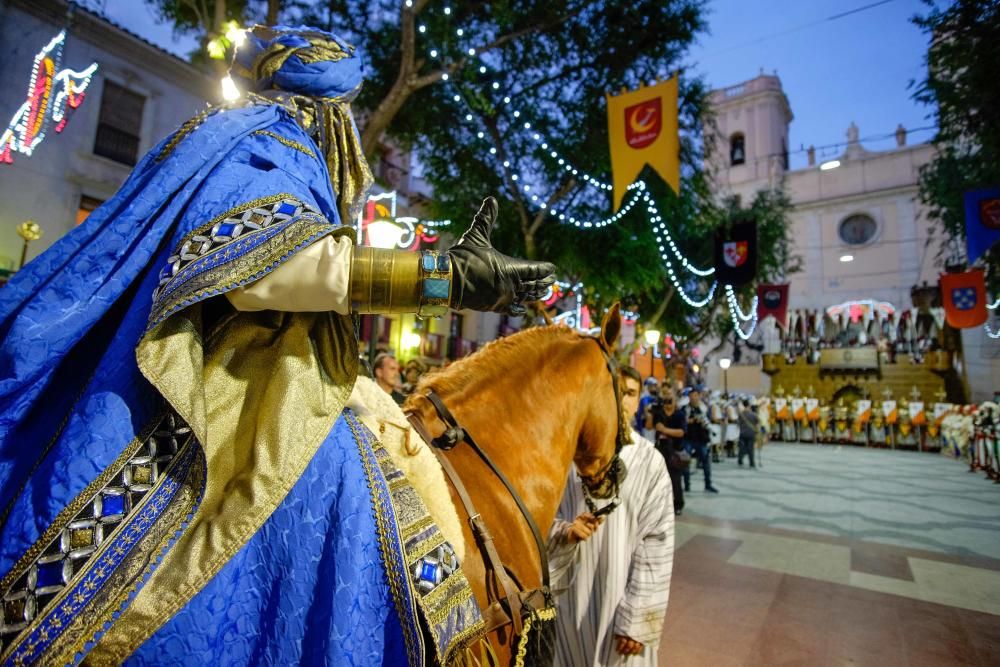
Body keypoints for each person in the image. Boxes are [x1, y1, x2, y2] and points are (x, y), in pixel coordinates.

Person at [0, 25, 556, 665]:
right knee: (357, 490)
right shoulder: (268, 142)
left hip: (250, 365)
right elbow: (263, 270)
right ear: (328, 111)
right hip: (214, 388)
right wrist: (443, 279)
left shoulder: (227, 138)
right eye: (347, 114)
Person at [549, 366, 674, 666]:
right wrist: (565, 532)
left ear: (639, 399)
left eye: (630, 393)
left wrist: (639, 620)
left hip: (622, 604)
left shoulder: (649, 461)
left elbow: (658, 541)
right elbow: (539, 519)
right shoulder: (567, 456)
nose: (622, 400)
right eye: (615, 391)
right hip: (568, 600)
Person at [651, 386, 687, 515]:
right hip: (660, 449)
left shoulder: (679, 414)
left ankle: (678, 504)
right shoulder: (659, 413)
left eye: (670, 400)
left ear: (675, 401)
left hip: (675, 451)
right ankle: (660, 504)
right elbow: (650, 426)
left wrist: (665, 430)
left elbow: (681, 432)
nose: (667, 403)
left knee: (675, 479)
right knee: (658, 478)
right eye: (665, 400)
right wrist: (650, 413)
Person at [685, 388, 720, 493]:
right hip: (689, 438)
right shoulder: (685, 409)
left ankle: (708, 484)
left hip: (701, 439)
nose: (694, 398)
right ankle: (687, 485)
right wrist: (691, 420)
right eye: (691, 396)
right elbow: (683, 421)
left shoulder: (704, 408)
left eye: (696, 396)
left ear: (699, 396)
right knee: (686, 462)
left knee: (706, 462)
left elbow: (708, 421)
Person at [737, 401, 759, 467]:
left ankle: (740, 459)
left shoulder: (741, 414)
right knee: (751, 448)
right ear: (749, 406)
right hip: (751, 433)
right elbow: (757, 423)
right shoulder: (753, 414)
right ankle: (751, 462)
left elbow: (738, 423)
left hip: (742, 433)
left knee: (742, 447)